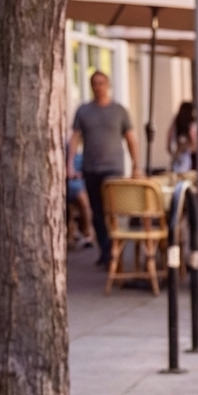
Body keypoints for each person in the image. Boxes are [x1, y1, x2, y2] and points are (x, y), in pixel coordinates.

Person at [67, 71, 140, 266]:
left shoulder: (119, 111)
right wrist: (70, 164)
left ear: (108, 85)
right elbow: (75, 137)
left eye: (101, 83)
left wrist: (136, 165)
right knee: (96, 211)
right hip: (91, 167)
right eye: (95, 84)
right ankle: (106, 249)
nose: (98, 87)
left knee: (113, 209)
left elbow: (131, 138)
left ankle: (116, 247)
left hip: (113, 168)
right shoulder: (83, 111)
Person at [168, 101, 195, 173]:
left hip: (177, 154)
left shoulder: (176, 121)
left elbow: (169, 136)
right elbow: (193, 139)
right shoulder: (191, 122)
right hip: (188, 155)